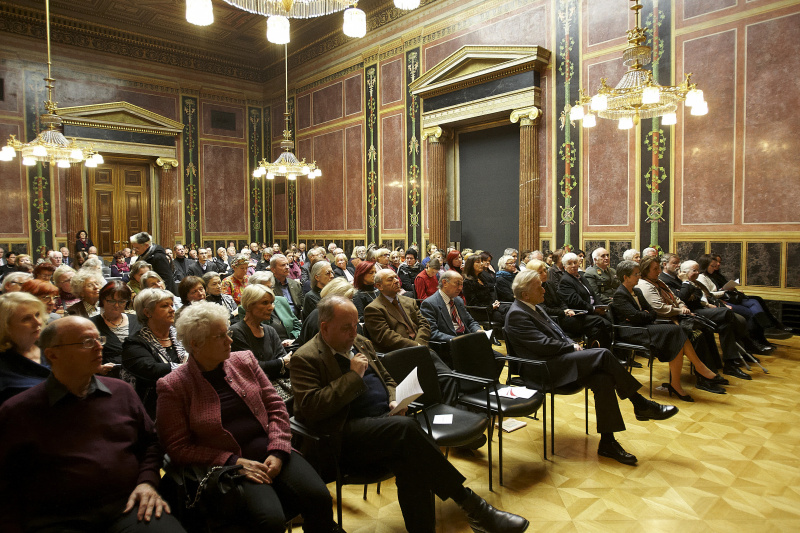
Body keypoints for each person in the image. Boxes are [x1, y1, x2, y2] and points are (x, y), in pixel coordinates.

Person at [291, 295, 530, 533]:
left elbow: (386, 378)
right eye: (346, 328)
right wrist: (353, 377)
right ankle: (473, 506)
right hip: (342, 438)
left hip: (384, 427)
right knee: (406, 430)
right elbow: (313, 408)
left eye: (356, 325)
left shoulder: (360, 342)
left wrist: (395, 399)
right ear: (325, 327)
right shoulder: (306, 357)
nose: (353, 333)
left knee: (412, 462)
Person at [155, 302, 335, 531]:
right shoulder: (173, 386)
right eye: (220, 336)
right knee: (270, 520)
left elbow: (276, 406)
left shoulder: (244, 361)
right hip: (229, 468)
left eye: (228, 332)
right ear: (195, 344)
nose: (230, 340)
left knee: (319, 498)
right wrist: (232, 462)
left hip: (271, 448)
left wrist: (278, 450)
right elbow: (178, 447)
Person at [0, 316, 185, 533]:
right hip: (58, 517)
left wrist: (147, 482)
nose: (99, 348)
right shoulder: (19, 410)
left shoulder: (121, 391)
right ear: (52, 354)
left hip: (128, 505)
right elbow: (6, 481)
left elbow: (151, 444)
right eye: (87, 342)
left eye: (100, 340)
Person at [504, 269, 679, 466]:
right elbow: (541, 345)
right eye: (540, 287)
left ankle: (608, 442)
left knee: (602, 378)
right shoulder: (517, 314)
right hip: (543, 370)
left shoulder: (533, 307)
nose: (545, 290)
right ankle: (640, 403)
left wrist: (570, 345)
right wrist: (571, 347)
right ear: (525, 294)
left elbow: (559, 334)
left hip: (557, 362)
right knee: (603, 354)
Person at [611, 260, 727, 400]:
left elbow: (651, 313)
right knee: (676, 331)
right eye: (636, 274)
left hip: (643, 326)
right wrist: (645, 315)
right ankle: (700, 368)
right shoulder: (620, 294)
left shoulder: (636, 290)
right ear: (626, 277)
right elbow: (637, 317)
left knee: (676, 335)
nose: (638, 276)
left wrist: (645, 315)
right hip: (630, 332)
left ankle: (677, 383)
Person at [678, 261, 753, 381]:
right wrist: (687, 284)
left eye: (698, 270)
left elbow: (698, 296)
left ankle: (730, 364)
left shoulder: (696, 282)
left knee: (726, 326)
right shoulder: (682, 281)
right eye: (694, 271)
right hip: (693, 313)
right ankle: (747, 341)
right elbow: (685, 298)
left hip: (703, 308)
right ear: (685, 272)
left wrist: (702, 301)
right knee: (727, 313)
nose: (697, 273)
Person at [122, 288, 187, 418]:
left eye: (172, 305)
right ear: (147, 312)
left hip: (187, 400)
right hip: (154, 409)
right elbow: (151, 370)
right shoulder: (134, 343)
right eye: (164, 306)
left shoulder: (182, 335)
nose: (172, 309)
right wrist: (188, 367)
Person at [230, 285, 292, 385]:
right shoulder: (236, 332)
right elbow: (251, 368)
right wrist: (280, 363)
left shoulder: (270, 330)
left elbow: (285, 361)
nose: (271, 307)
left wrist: (279, 364)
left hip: (278, 384)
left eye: (271, 303)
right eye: (265, 303)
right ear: (249, 305)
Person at [0, 292, 51, 405]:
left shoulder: (52, 346)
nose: (37, 322)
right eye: (26, 319)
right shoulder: (3, 363)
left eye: (37, 315)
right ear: (6, 326)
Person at [91, 280, 141, 380]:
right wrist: (97, 369)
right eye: (111, 301)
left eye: (121, 301)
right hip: (106, 379)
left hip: (138, 378)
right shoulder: (91, 325)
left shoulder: (137, 321)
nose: (117, 305)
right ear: (102, 300)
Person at [420, 270, 482, 343]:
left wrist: (477, 330)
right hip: (450, 344)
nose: (460, 288)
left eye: (461, 284)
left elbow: (470, 321)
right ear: (444, 283)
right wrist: (457, 340)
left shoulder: (458, 300)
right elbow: (432, 332)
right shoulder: (429, 304)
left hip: (467, 340)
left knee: (493, 353)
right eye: (457, 284)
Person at [246, 272, 301, 345]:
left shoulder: (282, 301)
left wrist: (292, 339)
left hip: (292, 345)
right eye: (265, 288)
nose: (270, 291)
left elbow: (297, 326)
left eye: (271, 287)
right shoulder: (249, 307)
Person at [462, 254, 506, 323]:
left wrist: (494, 302)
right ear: (470, 265)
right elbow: (473, 304)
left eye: (481, 262)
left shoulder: (482, 278)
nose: (481, 264)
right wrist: (491, 307)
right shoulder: (467, 282)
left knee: (509, 308)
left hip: (489, 308)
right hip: (480, 312)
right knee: (506, 316)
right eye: (478, 262)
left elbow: (488, 295)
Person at [271, 254, 304, 319]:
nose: (287, 267)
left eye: (287, 264)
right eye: (283, 265)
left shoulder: (294, 284)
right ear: (273, 269)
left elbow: (302, 304)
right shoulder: (270, 285)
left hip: (298, 319)